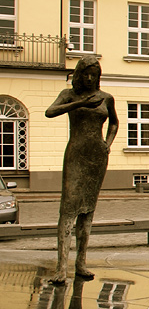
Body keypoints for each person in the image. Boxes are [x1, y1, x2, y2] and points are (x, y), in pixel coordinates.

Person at [45, 57, 118, 285]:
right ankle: (60, 267)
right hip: (76, 154)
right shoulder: (69, 94)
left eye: (93, 75)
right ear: (78, 75)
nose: (89, 78)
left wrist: (108, 143)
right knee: (68, 210)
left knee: (87, 211)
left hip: (96, 156)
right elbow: (50, 112)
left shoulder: (106, 98)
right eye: (85, 74)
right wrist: (79, 104)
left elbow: (114, 122)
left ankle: (81, 263)